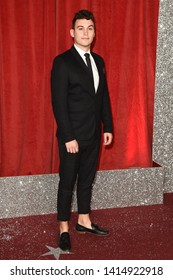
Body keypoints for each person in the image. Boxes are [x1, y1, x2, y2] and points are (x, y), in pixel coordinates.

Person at [51, 9, 113, 252]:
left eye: (89, 28)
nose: (85, 32)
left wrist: (107, 125)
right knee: (68, 182)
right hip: (72, 137)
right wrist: (68, 136)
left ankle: (84, 220)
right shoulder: (62, 61)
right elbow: (58, 102)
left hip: (94, 134)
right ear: (72, 32)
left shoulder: (99, 61)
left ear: (94, 32)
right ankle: (64, 227)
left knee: (87, 179)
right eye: (80, 28)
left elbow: (103, 97)